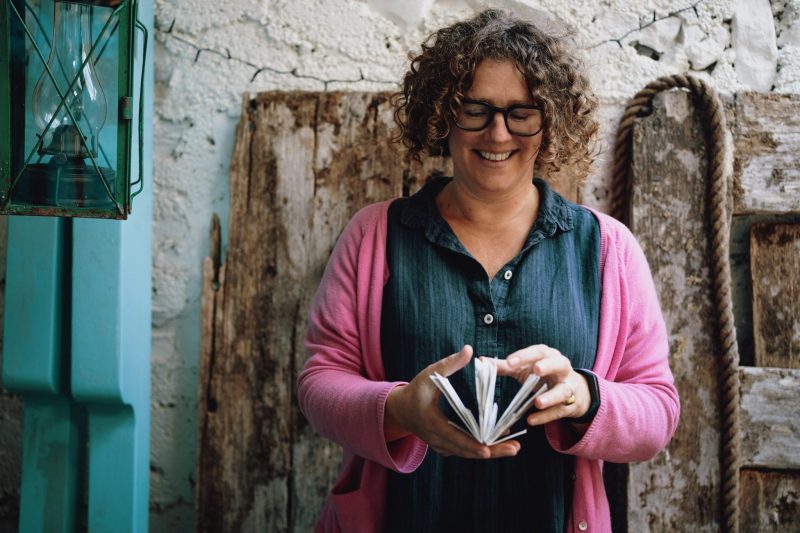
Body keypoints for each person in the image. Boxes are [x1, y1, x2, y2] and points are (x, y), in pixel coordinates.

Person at [298, 8, 679, 533]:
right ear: (441, 115)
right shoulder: (375, 235)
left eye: (521, 112)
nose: (497, 133)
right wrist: (401, 409)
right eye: (474, 109)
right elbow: (319, 384)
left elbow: (659, 411)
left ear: (550, 120)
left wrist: (584, 396)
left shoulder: (607, 248)